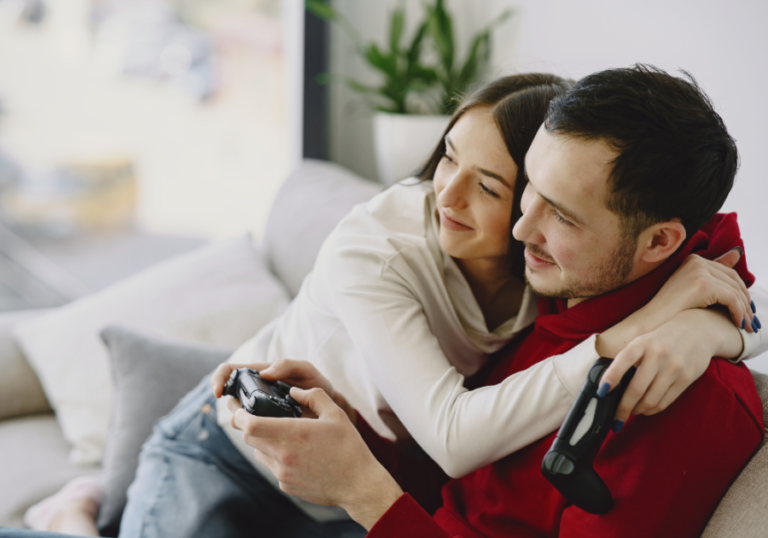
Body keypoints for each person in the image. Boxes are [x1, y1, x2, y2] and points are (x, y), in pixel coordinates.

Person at [8, 71, 763, 538]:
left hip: (359, 500)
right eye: (528, 188)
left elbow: (741, 311)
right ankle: (75, 515)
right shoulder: (542, 271)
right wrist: (670, 329)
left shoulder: (642, 347)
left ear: (665, 243)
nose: (526, 226)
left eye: (558, 211)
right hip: (235, 447)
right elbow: (462, 447)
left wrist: (711, 336)